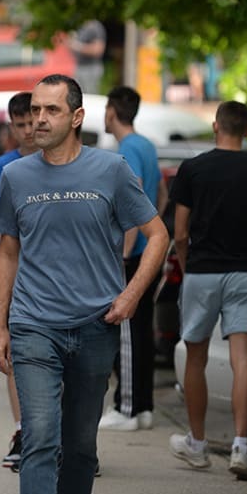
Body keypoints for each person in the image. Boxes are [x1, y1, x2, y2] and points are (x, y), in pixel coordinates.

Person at [0, 73, 167, 494]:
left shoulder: (111, 170)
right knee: (40, 435)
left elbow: (157, 235)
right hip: (34, 324)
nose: (39, 119)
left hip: (95, 327)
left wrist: (131, 296)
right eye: (35, 110)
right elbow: (7, 250)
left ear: (77, 117)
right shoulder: (16, 176)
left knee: (81, 445)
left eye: (51, 110)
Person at [168, 102, 247, 476]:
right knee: (242, 360)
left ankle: (197, 444)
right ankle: (241, 446)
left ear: (215, 126)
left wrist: (188, 268)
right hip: (243, 273)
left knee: (196, 357)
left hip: (201, 273)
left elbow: (180, 233)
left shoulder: (192, 169)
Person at [99, 86, 168, 432]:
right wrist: (154, 231)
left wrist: (125, 252)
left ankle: (126, 408)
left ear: (111, 112)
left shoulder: (127, 149)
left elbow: (131, 195)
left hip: (133, 256)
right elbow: (161, 194)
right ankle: (143, 408)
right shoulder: (147, 145)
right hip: (150, 253)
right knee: (141, 333)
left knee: (126, 333)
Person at [0, 92, 36, 470]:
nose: (29, 131)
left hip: (57, 277)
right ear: (11, 128)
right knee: (17, 358)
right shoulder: (4, 168)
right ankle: (22, 430)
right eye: (21, 125)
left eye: (32, 122)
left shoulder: (62, 163)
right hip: (19, 277)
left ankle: (69, 438)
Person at [68, 20, 106, 94]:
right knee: (77, 95)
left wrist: (78, 46)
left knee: (91, 96)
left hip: (91, 68)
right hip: (79, 67)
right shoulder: (81, 27)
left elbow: (98, 50)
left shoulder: (96, 27)